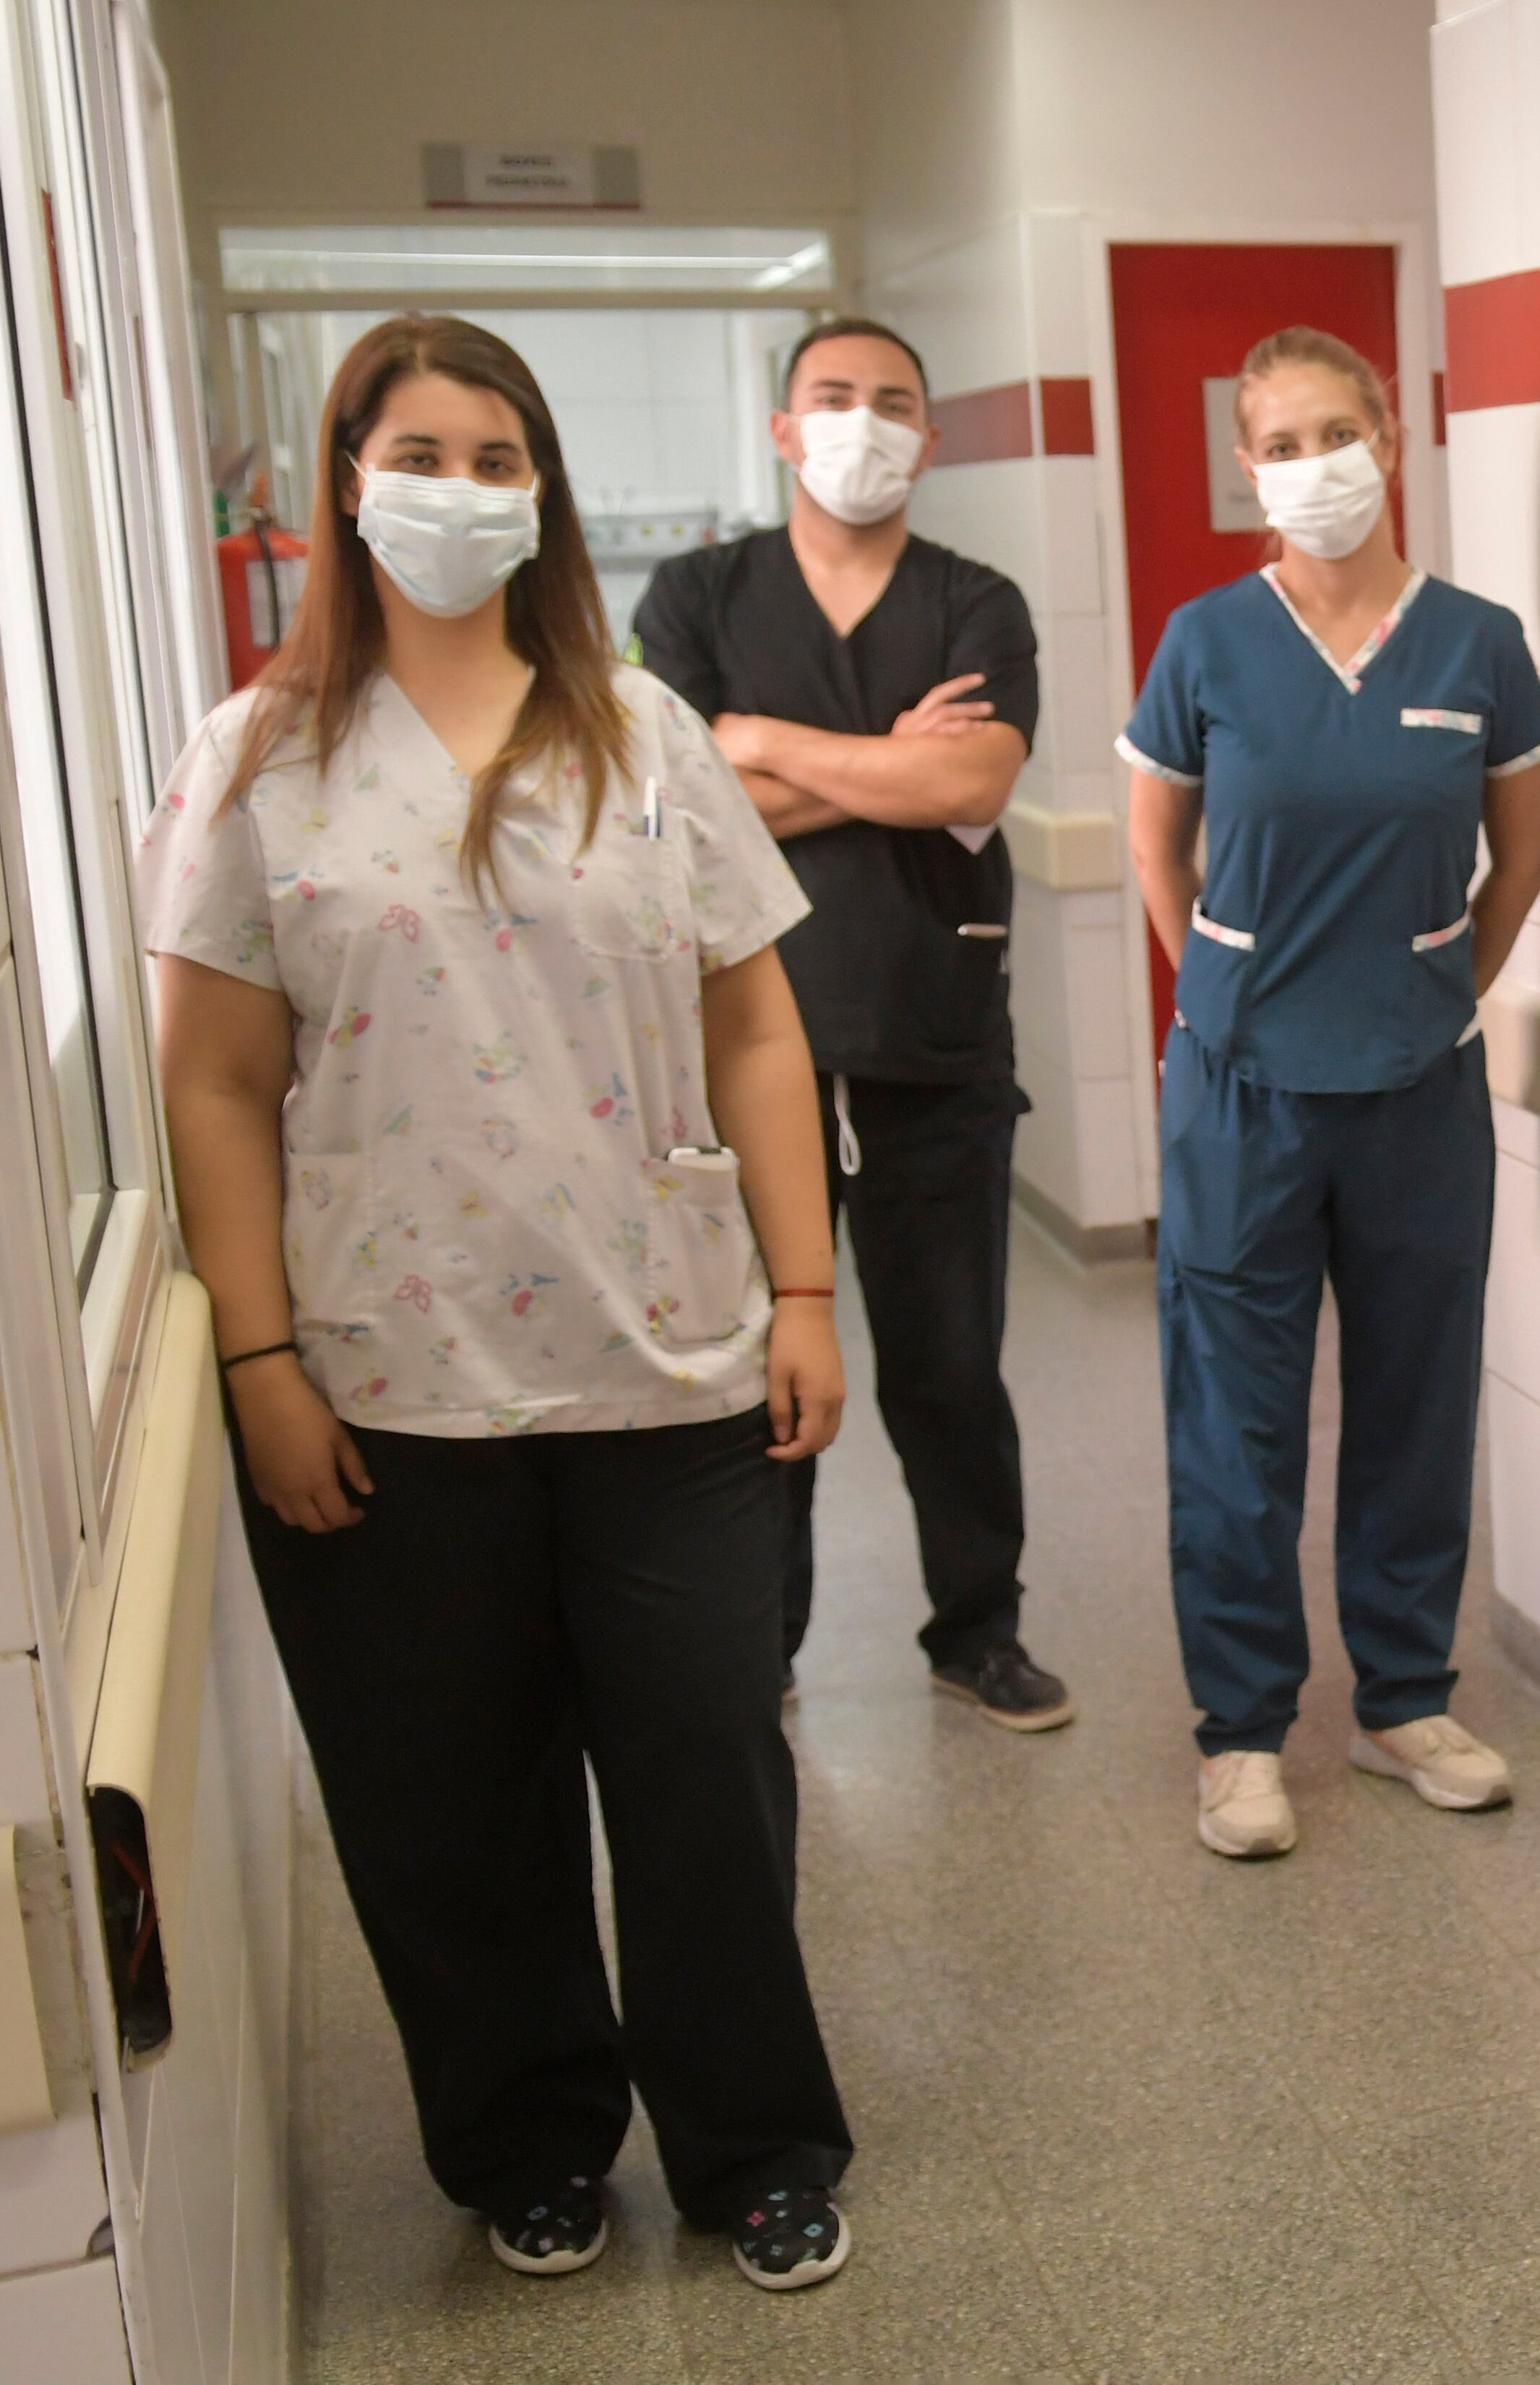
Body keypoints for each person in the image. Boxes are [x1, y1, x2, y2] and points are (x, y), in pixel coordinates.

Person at [145, 314, 861, 2289]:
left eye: (494, 455)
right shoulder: (259, 761)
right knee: (451, 1813)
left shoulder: (643, 735)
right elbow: (211, 1078)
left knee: (712, 1773)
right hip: (388, 1391)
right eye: (420, 450)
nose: (457, 489)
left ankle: (757, 2143)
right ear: (340, 481)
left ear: (539, 491)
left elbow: (755, 1026)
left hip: (676, 1375)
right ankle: (530, 2138)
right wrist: (258, 1353)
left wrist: (808, 1288)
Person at [1119, 327, 1540, 1857]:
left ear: (1391, 435)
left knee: (1416, 1397)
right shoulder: (1206, 642)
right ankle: (1241, 1730)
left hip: (1418, 1080)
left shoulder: (1477, 643)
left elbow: (1528, 849)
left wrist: (1445, 987)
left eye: (1336, 430)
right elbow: (1155, 845)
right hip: (1242, 1086)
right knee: (1234, 1418)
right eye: (1281, 442)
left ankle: (1403, 1699)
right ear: (1249, 470)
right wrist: (1225, 995)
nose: (1315, 464)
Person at [633, 317, 1072, 1729]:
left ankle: (977, 1631)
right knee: (765, 1361)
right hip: (740, 1049)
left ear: (930, 440)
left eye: (893, 403)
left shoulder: (975, 601)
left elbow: (975, 784)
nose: (862, 424)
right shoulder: (696, 595)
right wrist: (895, 762)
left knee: (949, 1365)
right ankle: (762, 1644)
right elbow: (672, 804)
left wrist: (757, 743)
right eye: (833, 399)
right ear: (782, 428)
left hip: (929, 1041)